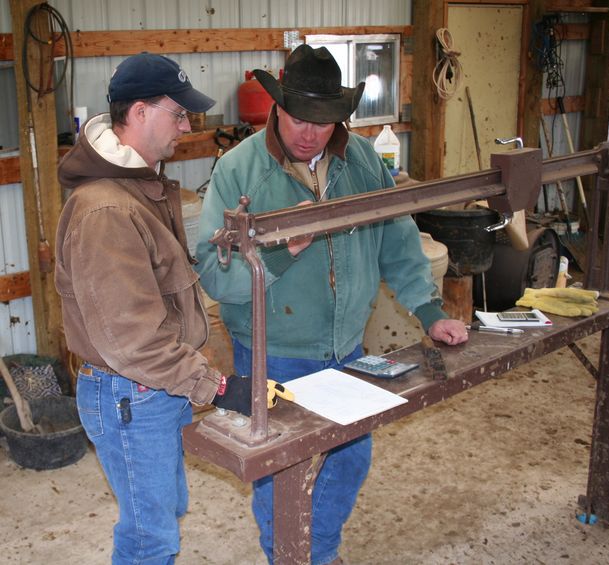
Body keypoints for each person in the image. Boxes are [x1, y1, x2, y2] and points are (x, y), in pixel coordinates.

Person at [194, 44, 468, 565]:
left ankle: (317, 552)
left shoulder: (362, 162)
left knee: (349, 458)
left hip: (345, 345)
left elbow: (397, 240)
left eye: (322, 122)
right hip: (273, 352)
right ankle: (288, 557)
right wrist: (281, 252)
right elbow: (215, 276)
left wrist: (430, 313)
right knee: (279, 467)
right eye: (298, 118)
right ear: (277, 106)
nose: (308, 133)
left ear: (339, 117)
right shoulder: (237, 171)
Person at [55, 52, 252, 564]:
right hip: (131, 392)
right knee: (150, 538)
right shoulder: (106, 209)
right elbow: (131, 337)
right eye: (178, 114)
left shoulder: (140, 188)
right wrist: (216, 385)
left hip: (149, 387)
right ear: (139, 112)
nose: (186, 127)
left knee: (164, 511)